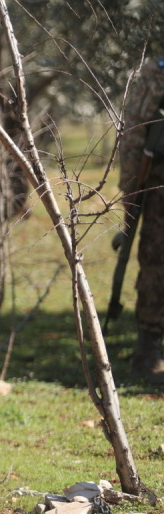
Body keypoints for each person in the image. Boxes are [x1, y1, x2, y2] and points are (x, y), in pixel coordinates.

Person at [117, 58, 164, 383]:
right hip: (161, 186)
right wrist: (131, 192)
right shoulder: (154, 74)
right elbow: (133, 136)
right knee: (156, 264)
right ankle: (148, 350)